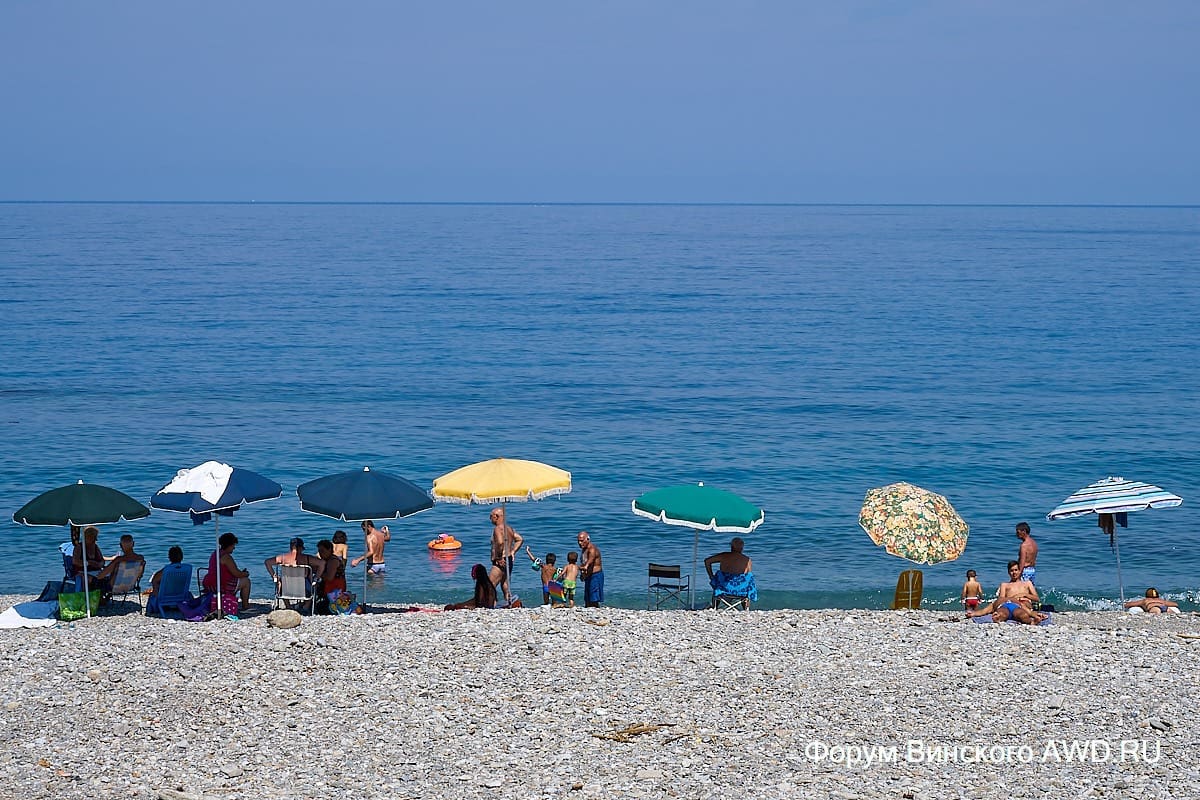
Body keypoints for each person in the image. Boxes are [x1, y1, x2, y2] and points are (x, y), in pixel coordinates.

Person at [967, 561, 1044, 623]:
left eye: (1016, 570)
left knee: (1022, 613)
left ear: (1020, 571)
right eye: (1011, 571)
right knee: (1002, 611)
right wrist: (1013, 598)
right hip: (1008, 603)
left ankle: (1030, 619)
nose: (1014, 573)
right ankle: (998, 616)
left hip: (1024, 604)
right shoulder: (1005, 585)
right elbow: (1001, 599)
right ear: (1008, 572)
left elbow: (1037, 599)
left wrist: (1024, 594)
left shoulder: (1027, 583)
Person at [202, 532, 252, 612]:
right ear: (228, 545)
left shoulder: (215, 553)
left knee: (238, 580)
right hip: (219, 584)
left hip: (209, 583)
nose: (234, 548)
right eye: (233, 545)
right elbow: (236, 573)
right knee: (246, 582)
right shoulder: (226, 557)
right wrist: (245, 574)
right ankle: (245, 606)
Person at [489, 507, 524, 603]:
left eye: (490, 516)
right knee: (504, 583)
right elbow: (520, 539)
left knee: (490, 584)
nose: (490, 519)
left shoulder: (497, 529)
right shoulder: (509, 528)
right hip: (508, 559)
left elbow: (500, 543)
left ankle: (492, 604)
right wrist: (513, 551)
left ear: (496, 517)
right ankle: (509, 601)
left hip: (501, 560)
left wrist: (498, 557)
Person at [577, 531, 603, 608]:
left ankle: (595, 610)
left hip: (595, 575)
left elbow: (591, 559)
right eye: (578, 541)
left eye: (581, 541)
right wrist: (583, 574)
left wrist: (586, 566)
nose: (579, 543)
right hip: (588, 575)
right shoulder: (584, 549)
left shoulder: (592, 549)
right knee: (587, 597)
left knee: (594, 596)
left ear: (588, 539)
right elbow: (584, 562)